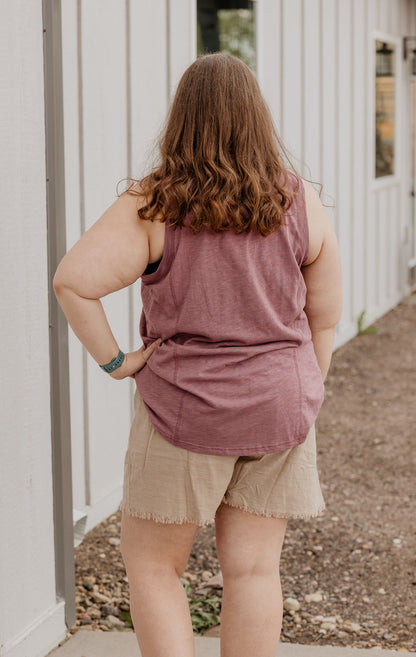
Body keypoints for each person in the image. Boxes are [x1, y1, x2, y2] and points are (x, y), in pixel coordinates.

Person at [54, 53, 342, 657]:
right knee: (255, 571)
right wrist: (306, 390)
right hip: (280, 407)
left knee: (156, 567)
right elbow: (325, 314)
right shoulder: (300, 201)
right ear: (256, 119)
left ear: (181, 120)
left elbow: (73, 282)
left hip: (186, 411)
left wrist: (119, 362)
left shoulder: (154, 204)